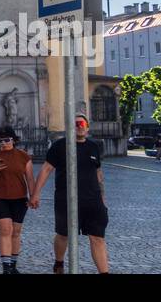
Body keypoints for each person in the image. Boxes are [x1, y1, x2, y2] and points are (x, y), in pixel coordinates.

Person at [30, 113, 110, 273]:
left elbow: (98, 173)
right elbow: (46, 169)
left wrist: (102, 198)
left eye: (82, 124)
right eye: (76, 124)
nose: (80, 127)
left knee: (97, 238)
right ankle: (59, 262)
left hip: (93, 201)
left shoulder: (94, 146)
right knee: (63, 235)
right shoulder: (59, 146)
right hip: (66, 200)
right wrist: (35, 194)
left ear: (87, 128)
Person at [0, 126, 33, 273]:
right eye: (0, 140)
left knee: (16, 232)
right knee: (5, 230)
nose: (3, 143)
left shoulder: (23, 156)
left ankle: (13, 265)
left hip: (19, 199)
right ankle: (6, 268)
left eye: (7, 140)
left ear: (14, 140)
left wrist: (34, 196)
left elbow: (29, 179)